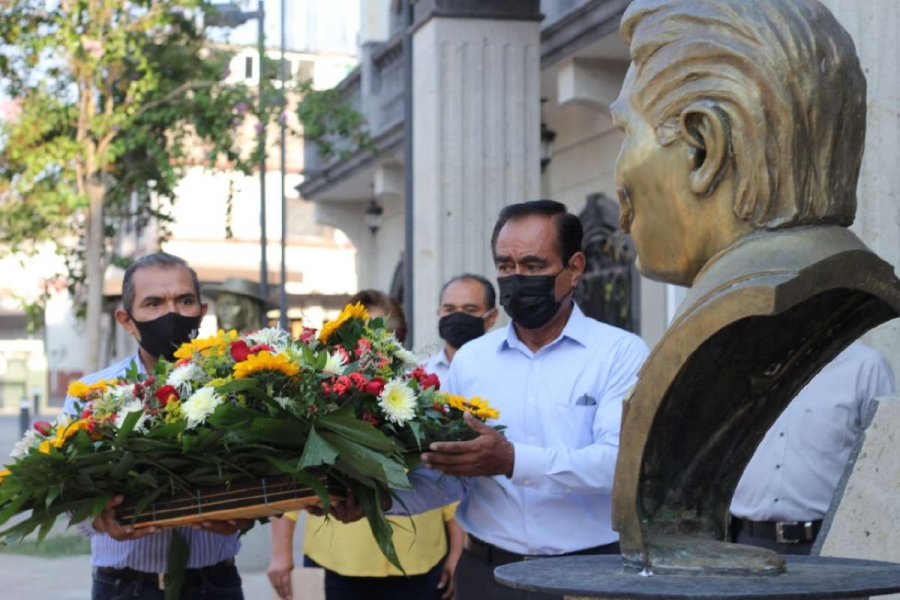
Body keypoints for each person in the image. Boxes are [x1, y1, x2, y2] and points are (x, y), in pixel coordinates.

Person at [384, 200, 649, 600]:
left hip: (588, 575)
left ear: (574, 268)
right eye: (506, 267)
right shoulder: (472, 359)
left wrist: (512, 460)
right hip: (487, 575)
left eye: (534, 265)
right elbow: (454, 475)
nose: (517, 277)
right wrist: (378, 499)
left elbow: (619, 466)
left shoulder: (619, 353)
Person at [63, 252, 249, 600]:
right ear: (127, 320)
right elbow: (70, 498)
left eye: (184, 300)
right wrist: (98, 518)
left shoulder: (239, 386)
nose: (172, 313)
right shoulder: (88, 395)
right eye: (153, 303)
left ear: (202, 312)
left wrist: (248, 514)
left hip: (215, 584)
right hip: (125, 586)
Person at [268, 289, 465, 600]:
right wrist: (280, 553)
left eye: (390, 336)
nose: (377, 345)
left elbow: (445, 475)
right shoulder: (316, 393)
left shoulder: (421, 394)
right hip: (337, 558)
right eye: (367, 335)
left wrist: (457, 551)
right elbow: (291, 475)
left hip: (419, 558)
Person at [730, 342, 897, 554]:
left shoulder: (866, 366)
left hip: (828, 547)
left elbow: (884, 463)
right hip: (747, 543)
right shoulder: (742, 364)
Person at [422, 274, 499, 384]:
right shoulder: (419, 375)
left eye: (470, 310)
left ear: (491, 317)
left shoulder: (505, 371)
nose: (458, 316)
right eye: (449, 309)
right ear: (439, 312)